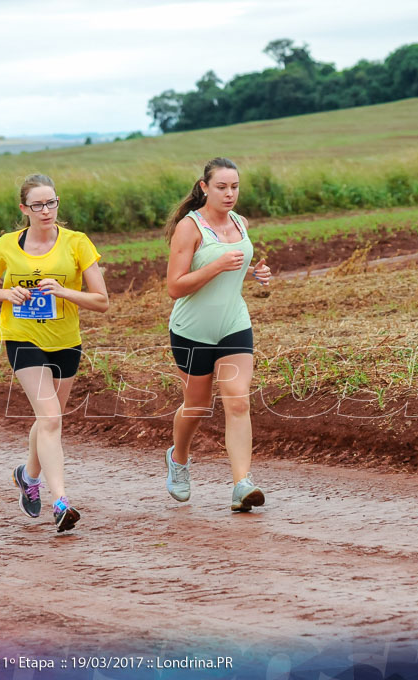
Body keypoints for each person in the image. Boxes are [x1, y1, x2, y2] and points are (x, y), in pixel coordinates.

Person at [0, 174, 109, 532]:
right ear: (24, 209)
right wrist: (8, 294)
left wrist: (64, 291)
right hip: (22, 338)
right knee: (50, 419)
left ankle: (27, 475)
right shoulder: (4, 246)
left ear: (57, 204)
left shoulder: (77, 244)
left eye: (51, 203)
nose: (46, 210)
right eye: (37, 205)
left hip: (66, 340)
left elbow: (102, 301)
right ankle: (61, 501)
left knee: (49, 419)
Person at [163, 157, 272, 512]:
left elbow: (234, 271)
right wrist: (214, 267)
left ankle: (242, 484)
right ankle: (178, 460)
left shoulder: (241, 223)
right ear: (204, 187)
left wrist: (255, 275)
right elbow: (175, 288)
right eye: (222, 187)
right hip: (191, 331)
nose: (230, 194)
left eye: (235, 187)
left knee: (238, 400)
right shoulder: (190, 228)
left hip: (233, 324)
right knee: (196, 406)